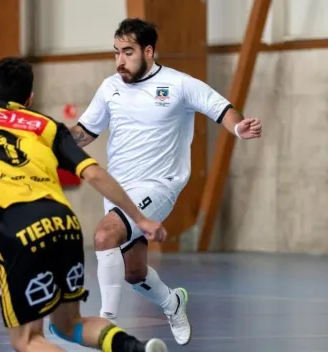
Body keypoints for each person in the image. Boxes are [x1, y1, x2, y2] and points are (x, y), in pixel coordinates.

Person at [0, 57, 171, 352]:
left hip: (18, 225)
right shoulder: (47, 126)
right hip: (64, 222)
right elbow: (94, 173)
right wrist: (140, 219)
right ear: (29, 99)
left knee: (27, 340)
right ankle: (136, 348)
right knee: (69, 324)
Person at [69, 18, 263, 346]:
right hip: (117, 190)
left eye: (127, 52)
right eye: (116, 52)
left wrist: (237, 128)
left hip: (158, 186)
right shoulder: (110, 88)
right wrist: (48, 138)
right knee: (134, 273)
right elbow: (83, 134)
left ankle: (106, 328)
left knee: (105, 236)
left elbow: (222, 108)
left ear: (148, 51)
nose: (120, 60)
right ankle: (172, 302)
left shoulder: (179, 84)